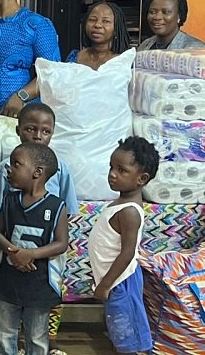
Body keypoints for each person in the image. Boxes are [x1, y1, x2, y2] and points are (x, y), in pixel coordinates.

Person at [0, 102, 77, 355]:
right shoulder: (8, 171)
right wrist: (15, 253)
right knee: (5, 326)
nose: (38, 136)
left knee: (38, 328)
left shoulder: (61, 170)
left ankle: (52, 340)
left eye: (45, 131)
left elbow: (65, 219)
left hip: (44, 265)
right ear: (18, 130)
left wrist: (33, 254)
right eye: (30, 129)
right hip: (9, 263)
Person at [89, 136, 159, 354]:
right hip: (116, 280)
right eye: (111, 167)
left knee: (128, 334)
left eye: (121, 170)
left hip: (120, 282)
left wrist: (105, 284)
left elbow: (127, 253)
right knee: (122, 331)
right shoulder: (122, 203)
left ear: (142, 178)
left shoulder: (129, 211)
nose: (112, 173)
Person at [66, 2, 130, 70]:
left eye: (106, 21)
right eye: (92, 20)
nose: (97, 25)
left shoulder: (123, 61)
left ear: (117, 27)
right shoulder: (75, 57)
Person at [138, 0, 205, 51]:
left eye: (166, 12)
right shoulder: (144, 46)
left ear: (179, 16)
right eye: (152, 12)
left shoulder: (196, 49)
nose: (157, 17)